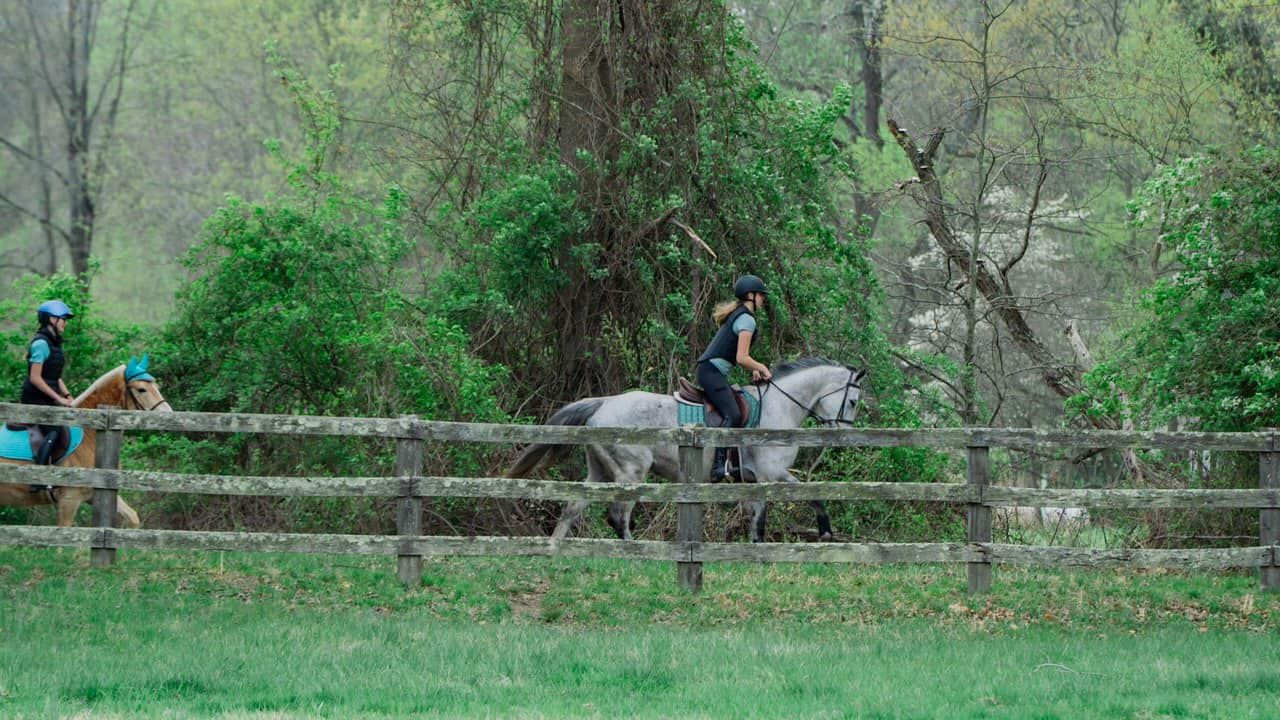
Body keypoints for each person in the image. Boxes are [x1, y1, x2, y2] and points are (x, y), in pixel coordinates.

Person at [695, 275, 772, 481]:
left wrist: (752, 369)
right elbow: (741, 357)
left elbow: (738, 356)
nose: (763, 299)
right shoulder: (747, 319)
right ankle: (718, 467)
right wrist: (761, 367)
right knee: (734, 414)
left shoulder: (740, 315)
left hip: (710, 371)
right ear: (750, 295)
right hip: (711, 372)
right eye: (761, 295)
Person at [22, 300, 75, 469]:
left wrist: (67, 396)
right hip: (35, 399)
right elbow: (35, 378)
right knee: (54, 431)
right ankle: (39, 477)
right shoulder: (41, 344)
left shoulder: (55, 344)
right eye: (63, 319)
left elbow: (55, 377)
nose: (65, 324)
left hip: (48, 398)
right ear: (52, 319)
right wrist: (58, 399)